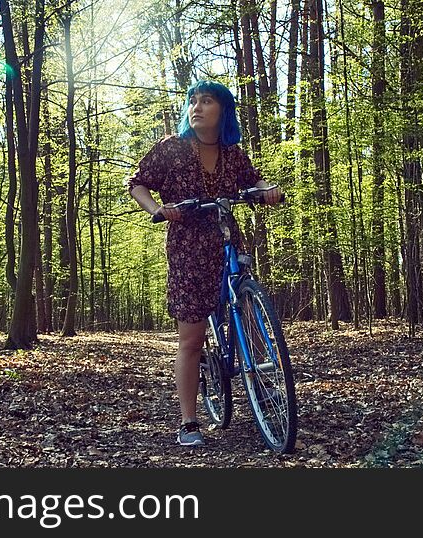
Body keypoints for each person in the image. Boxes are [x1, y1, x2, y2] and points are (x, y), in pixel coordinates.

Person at [126, 80, 282, 446]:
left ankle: (264, 390)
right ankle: (189, 422)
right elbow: (137, 183)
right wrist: (158, 210)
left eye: (206, 101)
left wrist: (268, 190)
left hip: (227, 239)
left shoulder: (233, 153)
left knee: (248, 314)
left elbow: (254, 181)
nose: (196, 107)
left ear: (223, 110)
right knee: (192, 338)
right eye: (192, 101)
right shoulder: (172, 148)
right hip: (188, 248)